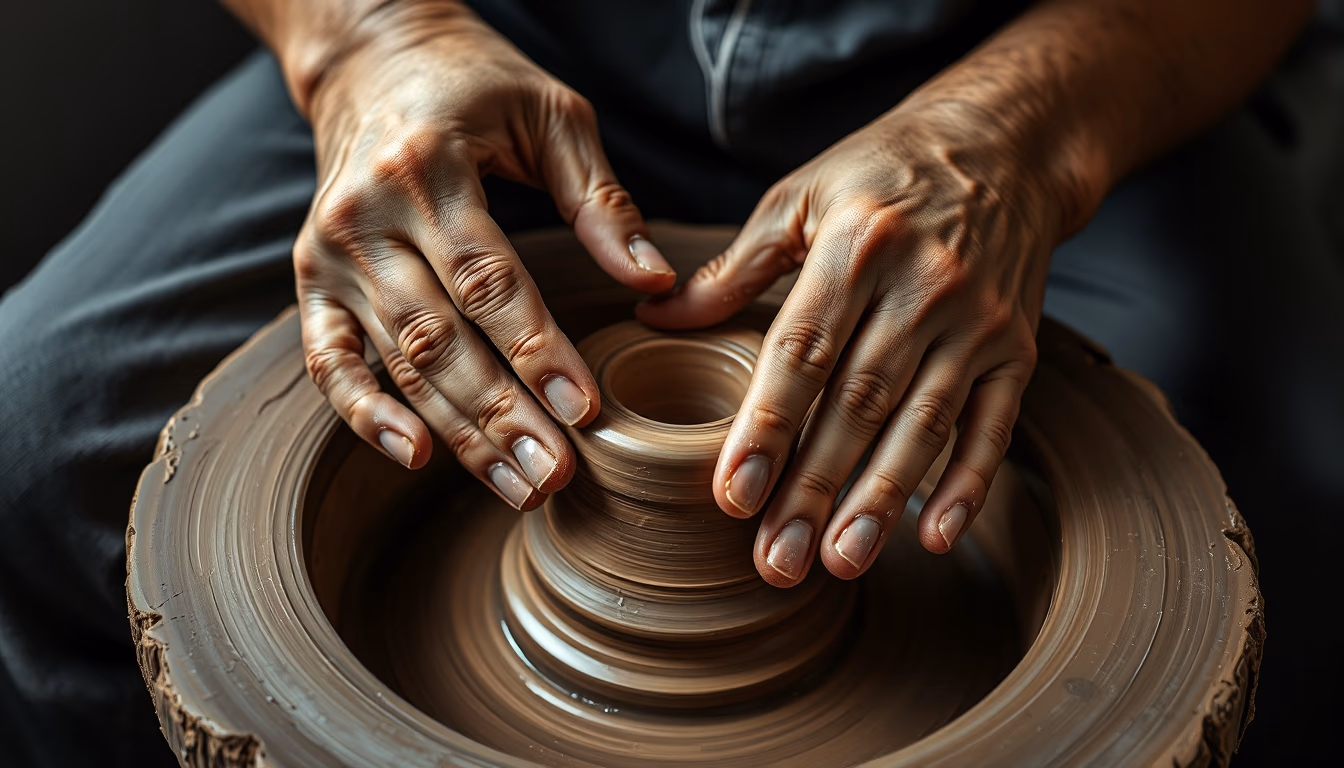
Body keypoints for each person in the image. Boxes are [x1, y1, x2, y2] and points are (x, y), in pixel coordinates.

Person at [1, 0, 1340, 765]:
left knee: (1246, 518)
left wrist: (1017, 142)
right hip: (500, 55)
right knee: (38, 423)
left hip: (1023, 84)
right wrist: (365, 41)